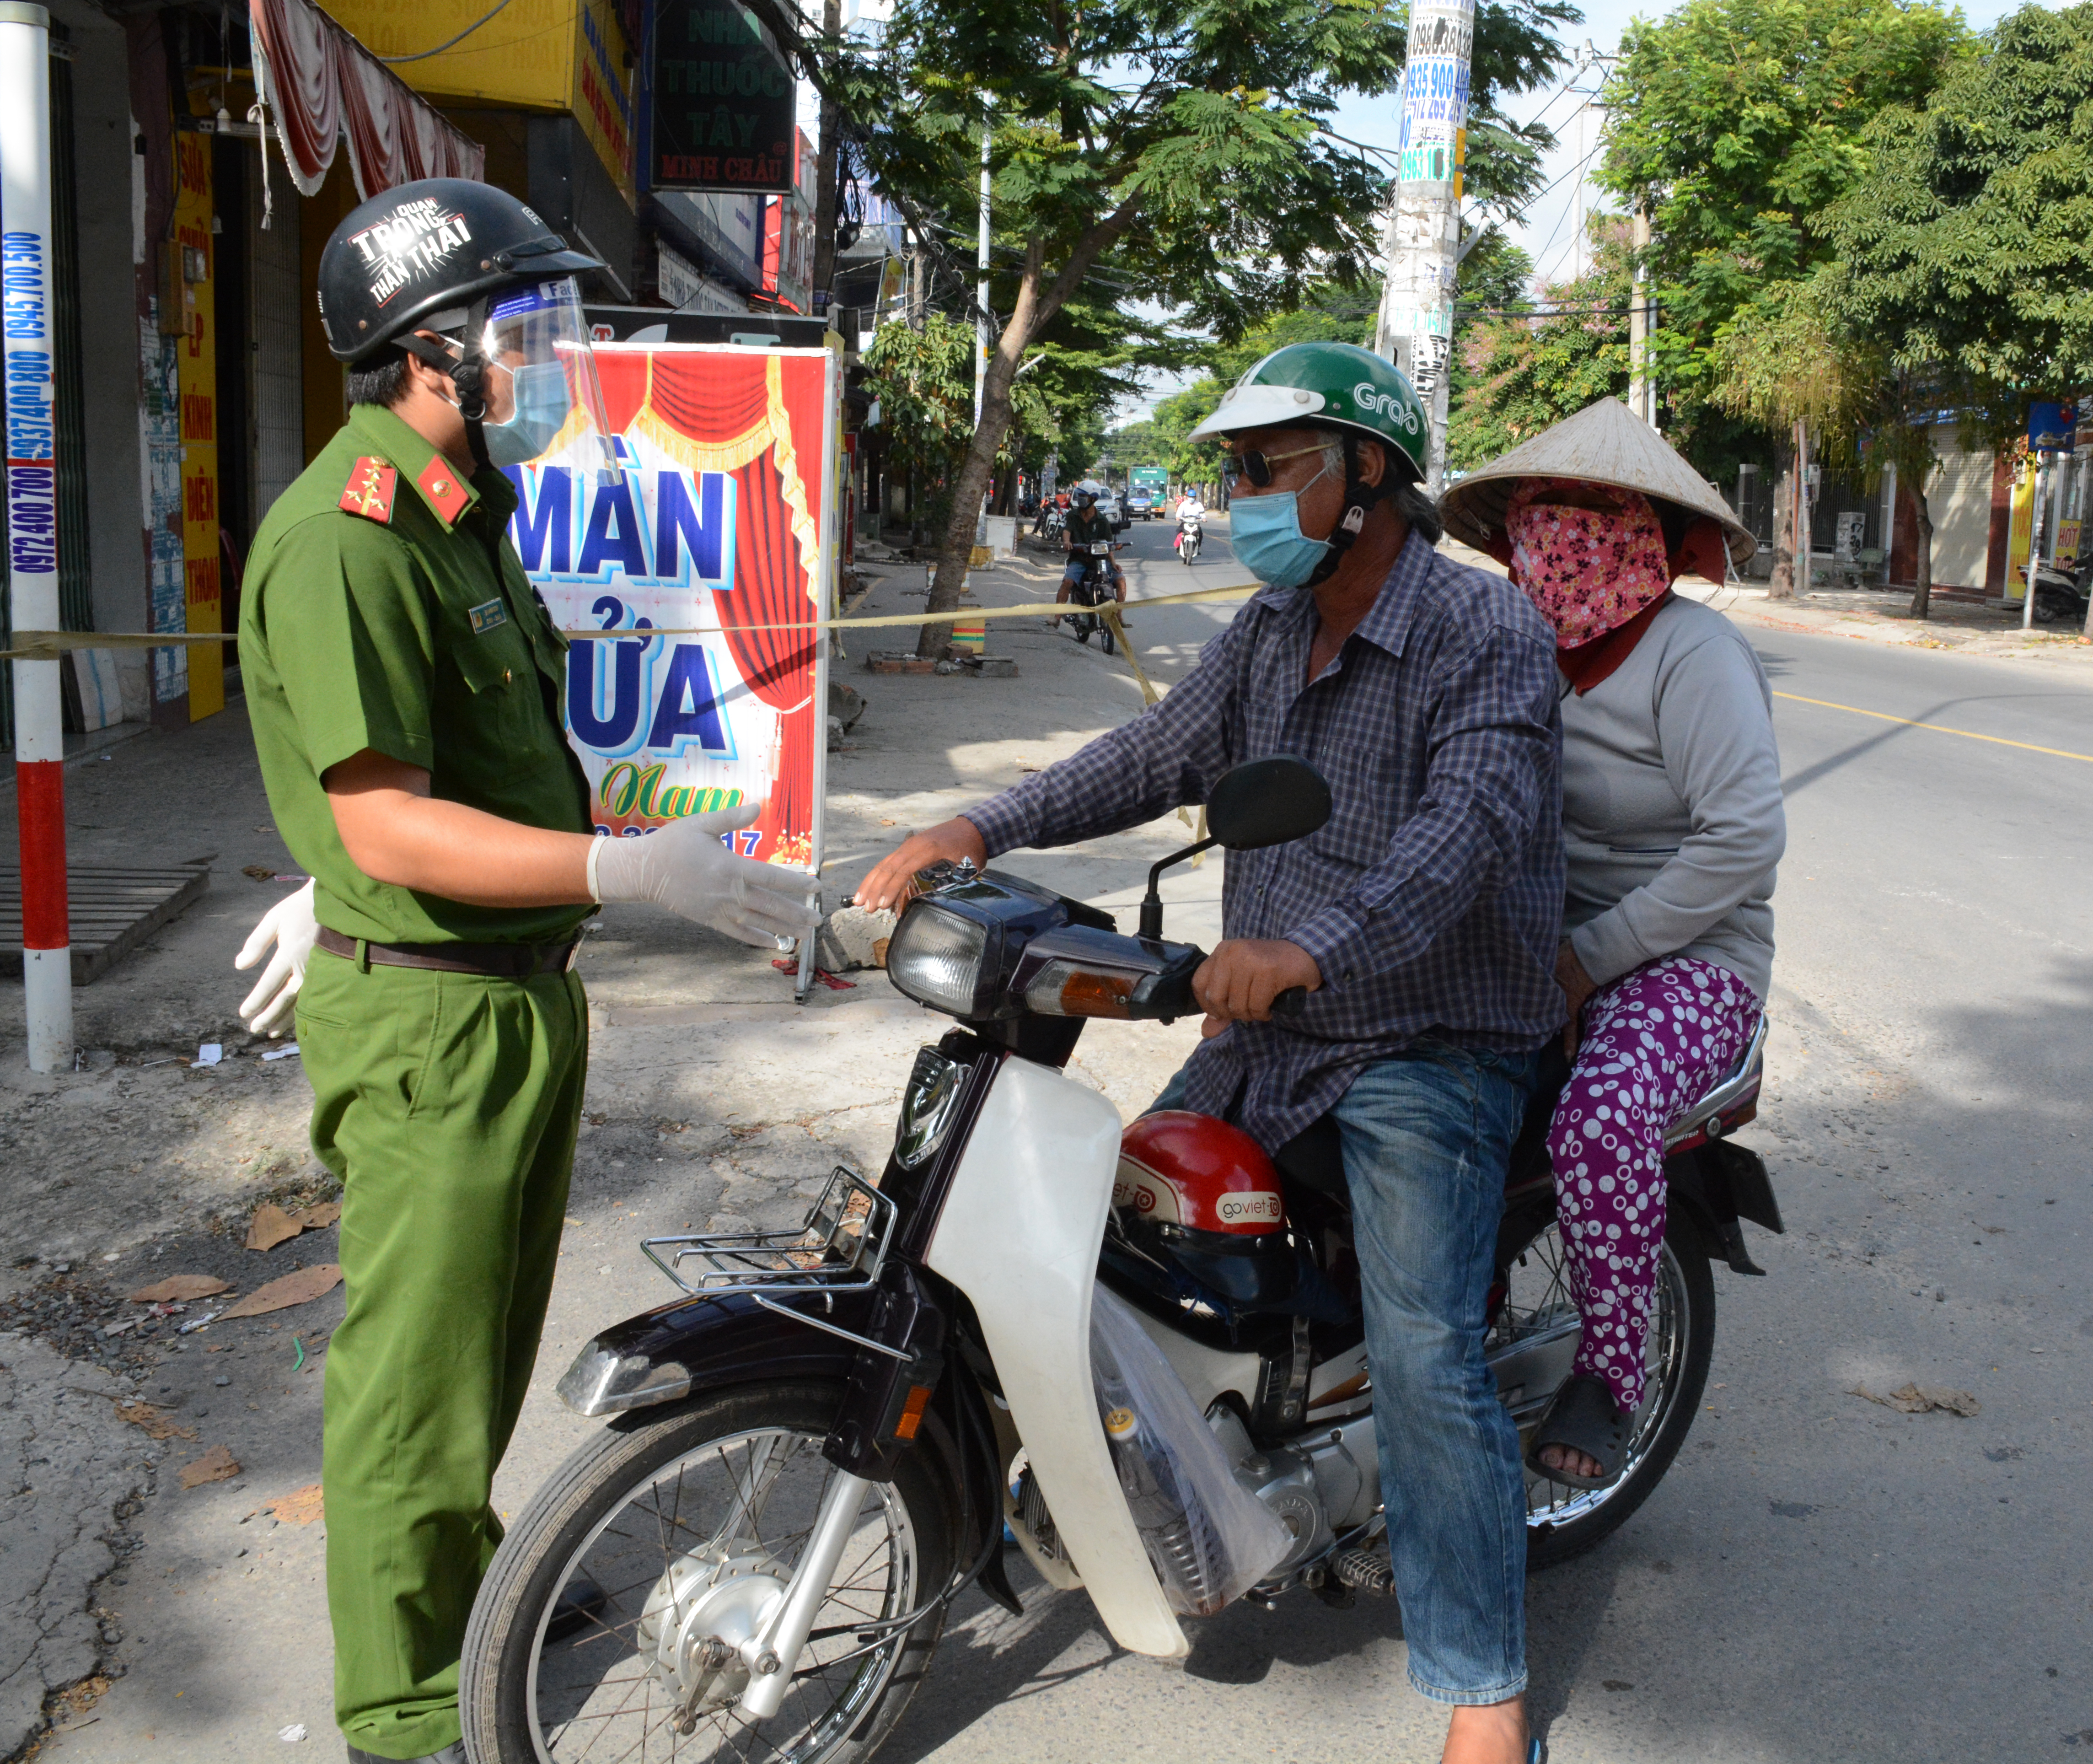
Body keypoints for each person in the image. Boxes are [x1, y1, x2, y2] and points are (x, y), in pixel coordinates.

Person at [858, 341, 1561, 1764]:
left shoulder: (1484, 634)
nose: (1235, 493)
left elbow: (1464, 834)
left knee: (1429, 1359)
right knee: (1110, 1242)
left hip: (1425, 1034)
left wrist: (1315, 945)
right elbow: (1151, 755)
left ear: (1364, 476)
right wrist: (974, 827)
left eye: (1263, 468)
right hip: (1265, 1027)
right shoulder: (1266, 630)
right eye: (1230, 469)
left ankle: (1484, 1690)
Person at [228, 178, 818, 1764]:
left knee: (485, 1338)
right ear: (427, 348)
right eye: (521, 326)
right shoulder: (345, 540)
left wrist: (653, 858)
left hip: (510, 989)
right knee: (413, 1376)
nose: (547, 352)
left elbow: (468, 772)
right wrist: (616, 869)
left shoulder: (459, 511)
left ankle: (463, 1583)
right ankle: (409, 1707)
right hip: (428, 1006)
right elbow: (394, 821)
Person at [1439, 398, 1785, 1490]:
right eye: (1548, 512)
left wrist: (1592, 957)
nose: (1567, 535)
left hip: (1685, 959)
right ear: (1515, 531)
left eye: (1597, 513)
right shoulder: (1513, 645)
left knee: (1597, 1114)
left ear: (1648, 535)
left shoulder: (1696, 655)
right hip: (1541, 941)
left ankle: (1609, 1365)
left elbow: (1744, 839)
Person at [1057, 484, 1127, 619]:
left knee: (1121, 580)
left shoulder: (1102, 520)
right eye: (1080, 496)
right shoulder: (1073, 515)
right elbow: (1067, 531)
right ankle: (1057, 617)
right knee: (1067, 582)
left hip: (1101, 562)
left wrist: (1113, 563)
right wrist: (1067, 542)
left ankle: (1119, 615)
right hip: (1079, 560)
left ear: (1093, 499)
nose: (1081, 499)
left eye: (1084, 496)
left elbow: (1109, 545)